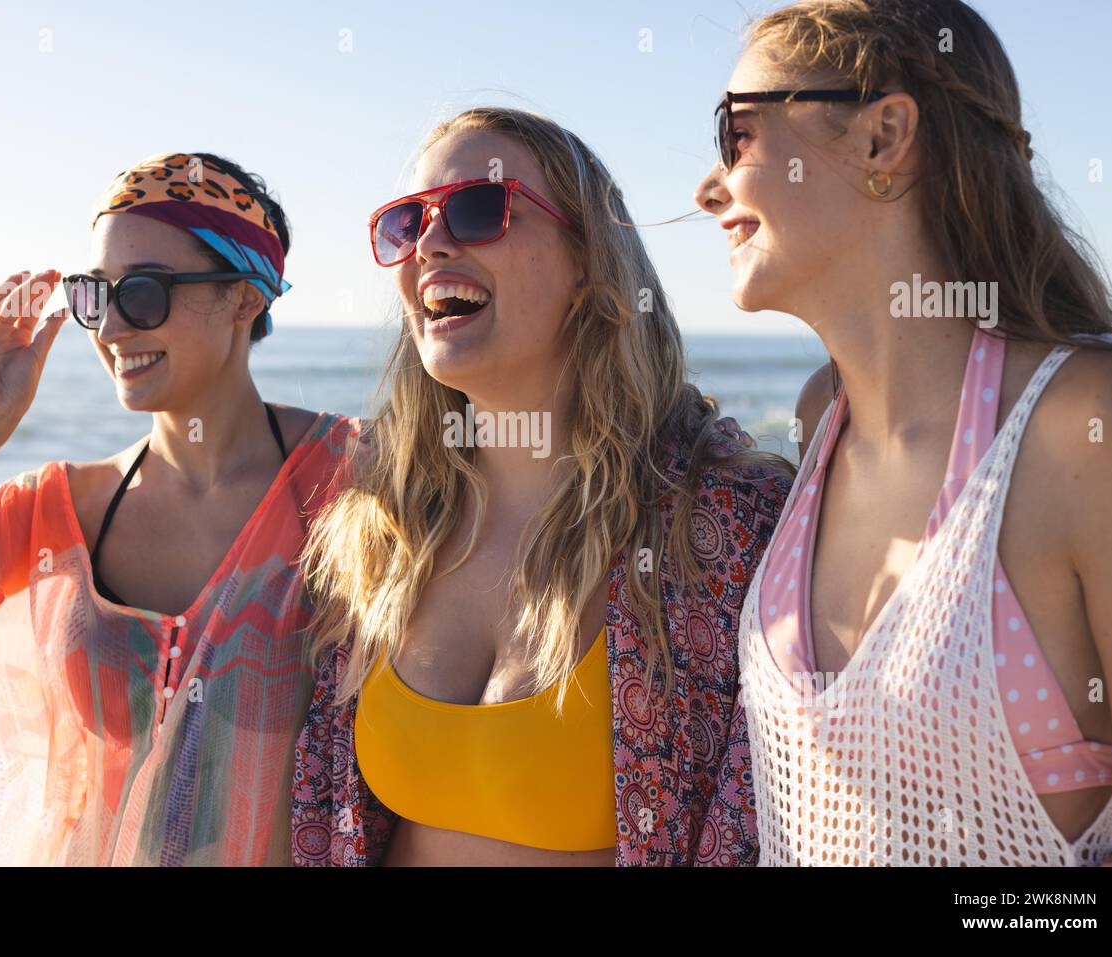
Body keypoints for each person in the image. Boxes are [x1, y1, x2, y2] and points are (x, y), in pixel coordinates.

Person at [693, 0, 1112, 865]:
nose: (710, 185)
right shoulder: (822, 415)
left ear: (882, 137)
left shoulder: (1098, 428)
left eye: (738, 132)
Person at [290, 107, 794, 866]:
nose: (430, 242)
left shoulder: (717, 521)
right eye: (405, 222)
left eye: (478, 206)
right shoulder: (382, 525)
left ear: (589, 256)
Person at [0, 152, 354, 865]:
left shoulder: (350, 479)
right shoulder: (56, 514)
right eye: (95, 294)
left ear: (246, 297)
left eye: (143, 292)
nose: (111, 328)